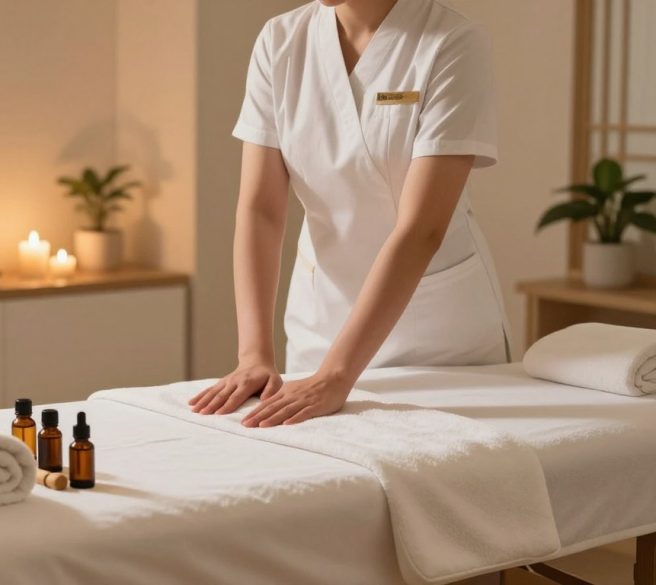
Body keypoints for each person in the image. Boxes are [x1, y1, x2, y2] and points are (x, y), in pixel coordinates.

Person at [189, 0, 509, 427]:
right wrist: (253, 355)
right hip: (320, 323)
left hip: (433, 334)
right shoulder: (280, 40)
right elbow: (260, 210)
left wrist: (337, 375)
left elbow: (422, 229)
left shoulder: (452, 42)